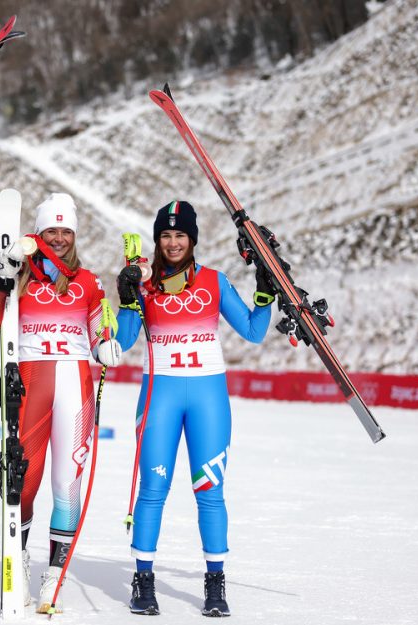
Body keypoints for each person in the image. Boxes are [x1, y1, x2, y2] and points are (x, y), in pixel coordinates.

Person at [114, 201, 274, 617]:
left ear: (192, 239)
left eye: (180, 235)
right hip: (159, 397)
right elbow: (124, 341)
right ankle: (144, 583)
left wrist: (264, 291)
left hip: (208, 399)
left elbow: (254, 331)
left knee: (210, 493)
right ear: (157, 240)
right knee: (153, 491)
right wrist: (127, 297)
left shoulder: (214, 282)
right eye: (165, 236)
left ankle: (215, 586)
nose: (172, 243)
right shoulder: (145, 284)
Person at [0, 192, 122, 613]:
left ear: (73, 235)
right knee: (24, 480)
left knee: (66, 485)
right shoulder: (21, 275)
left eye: (65, 230)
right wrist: (3, 281)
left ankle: (54, 577)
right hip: (30, 381)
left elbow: (102, 329)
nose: (58, 237)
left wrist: (106, 345)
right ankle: (17, 562)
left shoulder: (89, 282)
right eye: (50, 230)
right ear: (38, 233)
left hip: (75, 384)